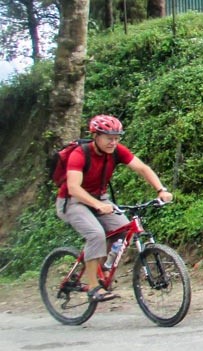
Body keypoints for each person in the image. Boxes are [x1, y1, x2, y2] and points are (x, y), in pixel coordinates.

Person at [54, 115, 174, 302]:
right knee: (95, 234)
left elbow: (142, 168)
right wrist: (98, 205)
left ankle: (103, 266)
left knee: (124, 230)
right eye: (109, 138)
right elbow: (74, 188)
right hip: (72, 201)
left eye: (117, 138)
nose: (113, 142)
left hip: (100, 198)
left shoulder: (117, 151)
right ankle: (94, 287)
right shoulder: (80, 154)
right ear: (96, 136)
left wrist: (161, 190)